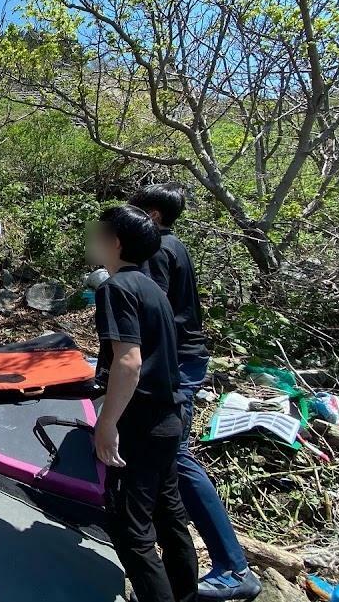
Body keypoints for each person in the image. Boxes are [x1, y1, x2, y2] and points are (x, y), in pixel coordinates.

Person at [130, 183, 262, 601]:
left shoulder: (155, 252)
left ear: (150, 216)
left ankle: (233, 566)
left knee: (177, 457)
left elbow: (151, 315)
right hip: (186, 359)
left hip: (175, 366)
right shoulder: (175, 245)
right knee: (169, 459)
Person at [90, 204, 199, 602]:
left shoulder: (116, 288)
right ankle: (186, 595)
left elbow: (129, 361)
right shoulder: (154, 288)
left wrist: (107, 423)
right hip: (169, 420)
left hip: (141, 422)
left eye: (98, 234)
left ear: (114, 242)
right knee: (170, 518)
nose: (93, 241)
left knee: (129, 530)